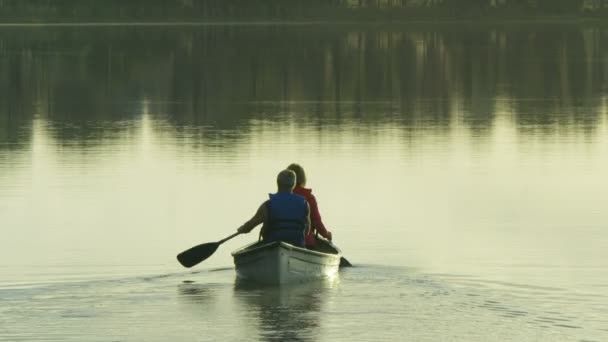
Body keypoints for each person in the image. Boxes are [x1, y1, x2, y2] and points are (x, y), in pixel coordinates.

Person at [237, 169, 311, 247]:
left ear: (277, 183)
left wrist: (242, 228)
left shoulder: (267, 205)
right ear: (293, 184)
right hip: (297, 244)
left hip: (272, 244)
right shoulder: (304, 204)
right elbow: (307, 230)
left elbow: (250, 226)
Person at [286, 163, 332, 249]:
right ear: (303, 179)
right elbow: (317, 222)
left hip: (281, 239)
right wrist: (326, 234)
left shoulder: (281, 197)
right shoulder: (309, 198)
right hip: (306, 242)